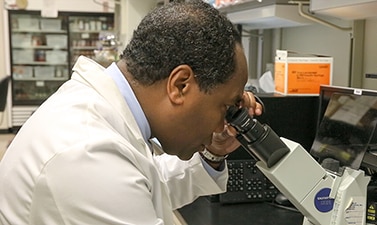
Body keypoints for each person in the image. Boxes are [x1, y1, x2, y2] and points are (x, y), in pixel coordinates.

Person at [0, 1, 262, 224]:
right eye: (225, 107)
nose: (221, 125)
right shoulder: (86, 152)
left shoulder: (100, 121)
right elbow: (119, 183)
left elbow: (146, 183)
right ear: (180, 85)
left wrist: (213, 151)